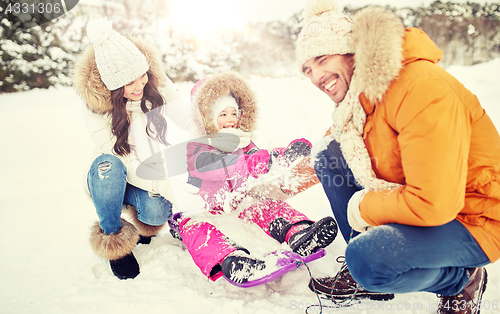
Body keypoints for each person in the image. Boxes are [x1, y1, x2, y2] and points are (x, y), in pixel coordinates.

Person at [295, 0, 500, 312]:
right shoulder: (360, 100)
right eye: (308, 69)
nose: (316, 77)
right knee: (329, 153)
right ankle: (367, 266)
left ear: (351, 51)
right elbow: (327, 153)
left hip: (474, 217)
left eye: (322, 59)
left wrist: (363, 207)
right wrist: (270, 187)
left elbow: (434, 203)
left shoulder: (420, 87)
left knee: (369, 258)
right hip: (427, 204)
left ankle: (463, 279)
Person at [168, 72, 338, 284]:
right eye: (222, 115)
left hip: (238, 204)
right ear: (207, 118)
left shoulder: (242, 141)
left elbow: (259, 159)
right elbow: (221, 167)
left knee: (266, 206)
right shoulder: (197, 147)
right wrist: (254, 163)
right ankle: (233, 260)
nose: (230, 119)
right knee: (197, 231)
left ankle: (299, 233)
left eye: (233, 113)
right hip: (203, 211)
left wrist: (284, 154)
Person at [73, 18, 193, 280]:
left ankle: (138, 214)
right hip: (111, 172)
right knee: (110, 166)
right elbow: (119, 156)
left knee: (157, 213)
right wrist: (160, 184)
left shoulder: (155, 83)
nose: (140, 86)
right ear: (114, 86)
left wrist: (215, 113)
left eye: (143, 76)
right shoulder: (94, 105)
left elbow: (186, 117)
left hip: (144, 170)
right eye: (130, 82)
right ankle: (114, 240)